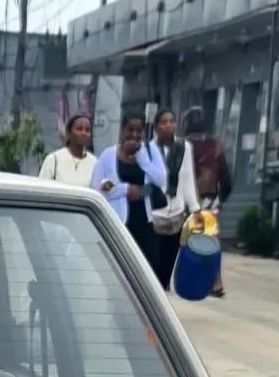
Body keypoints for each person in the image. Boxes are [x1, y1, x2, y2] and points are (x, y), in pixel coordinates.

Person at [91, 113, 168, 265]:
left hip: (145, 226)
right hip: (118, 224)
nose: (134, 134)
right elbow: (98, 187)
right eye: (130, 129)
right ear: (122, 130)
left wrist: (141, 158)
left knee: (149, 270)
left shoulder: (151, 151)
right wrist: (125, 189)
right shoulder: (108, 155)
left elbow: (160, 181)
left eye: (139, 131)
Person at [144, 108, 198, 290]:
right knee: (154, 259)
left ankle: (162, 290)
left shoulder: (185, 148)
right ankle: (153, 292)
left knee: (169, 260)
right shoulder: (148, 150)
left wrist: (195, 208)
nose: (168, 125)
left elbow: (188, 177)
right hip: (155, 212)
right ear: (157, 126)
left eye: (171, 121)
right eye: (163, 122)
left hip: (176, 211)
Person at [185, 108, 233, 296]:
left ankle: (193, 281)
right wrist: (220, 200)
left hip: (189, 202)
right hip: (211, 201)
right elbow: (227, 180)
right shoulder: (216, 146)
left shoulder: (183, 146)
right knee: (211, 241)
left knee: (189, 242)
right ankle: (216, 281)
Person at [38, 113, 97, 188]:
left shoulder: (94, 163)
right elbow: (42, 189)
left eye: (87, 130)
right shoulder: (54, 160)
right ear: (69, 133)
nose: (84, 133)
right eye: (79, 129)